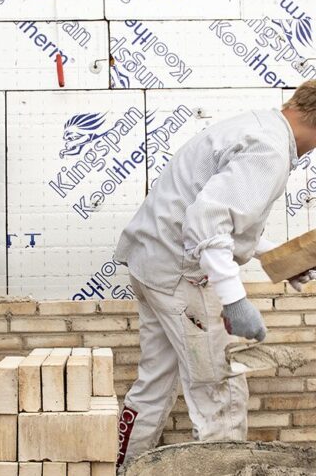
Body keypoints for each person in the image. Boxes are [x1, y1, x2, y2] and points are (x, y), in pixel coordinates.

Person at [114, 80, 316, 469]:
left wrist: (275, 258)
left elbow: (218, 214)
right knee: (220, 395)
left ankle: (123, 468)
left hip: (151, 266)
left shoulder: (257, 127)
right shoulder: (270, 150)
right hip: (180, 276)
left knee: (154, 384)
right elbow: (206, 222)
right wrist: (234, 299)